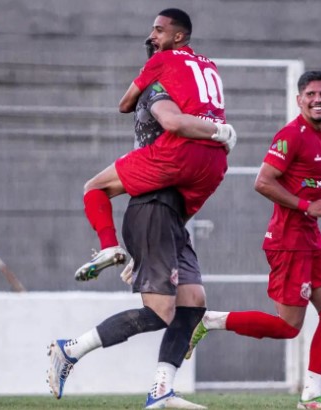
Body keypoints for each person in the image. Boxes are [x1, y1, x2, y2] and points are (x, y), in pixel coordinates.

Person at [47, 33, 235, 408]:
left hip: (168, 215)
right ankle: (70, 349)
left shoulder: (177, 87)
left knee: (193, 302)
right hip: (152, 205)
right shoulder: (160, 90)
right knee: (161, 310)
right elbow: (172, 121)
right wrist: (220, 132)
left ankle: (161, 390)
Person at [185, 71, 321, 410]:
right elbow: (263, 182)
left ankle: (311, 397)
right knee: (288, 327)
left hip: (311, 240)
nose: (318, 99)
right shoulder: (291, 135)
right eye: (310, 94)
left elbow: (304, 180)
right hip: (288, 241)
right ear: (299, 100)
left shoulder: (316, 136)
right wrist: (309, 206)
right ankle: (210, 320)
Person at [75, 8, 231, 282]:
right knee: (175, 219)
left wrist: (149, 72)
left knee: (94, 188)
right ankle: (141, 258)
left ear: (179, 36)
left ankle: (109, 247)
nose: (152, 35)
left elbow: (125, 105)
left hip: (180, 152)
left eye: (159, 30)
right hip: (215, 162)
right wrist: (220, 131)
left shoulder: (162, 61)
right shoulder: (210, 64)